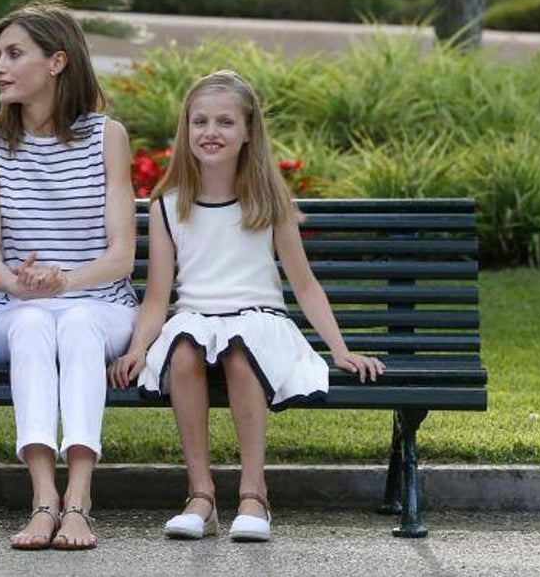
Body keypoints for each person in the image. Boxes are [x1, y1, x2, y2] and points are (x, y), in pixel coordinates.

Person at [109, 70, 385, 543]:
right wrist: (138, 347)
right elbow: (158, 296)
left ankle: (254, 494)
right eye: (200, 121)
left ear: (248, 132)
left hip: (260, 321)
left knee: (240, 349)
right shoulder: (168, 206)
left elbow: (305, 284)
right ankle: (201, 495)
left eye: (224, 122)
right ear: (186, 129)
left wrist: (339, 350)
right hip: (195, 320)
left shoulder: (267, 201)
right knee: (183, 349)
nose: (210, 132)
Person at [0, 3, 137, 551]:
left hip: (99, 301)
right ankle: (44, 498)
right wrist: (18, 284)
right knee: (36, 325)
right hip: (20, 308)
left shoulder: (107, 136)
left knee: (80, 323)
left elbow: (121, 258)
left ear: (57, 62)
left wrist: (64, 279)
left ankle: (79, 500)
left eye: (14, 54)